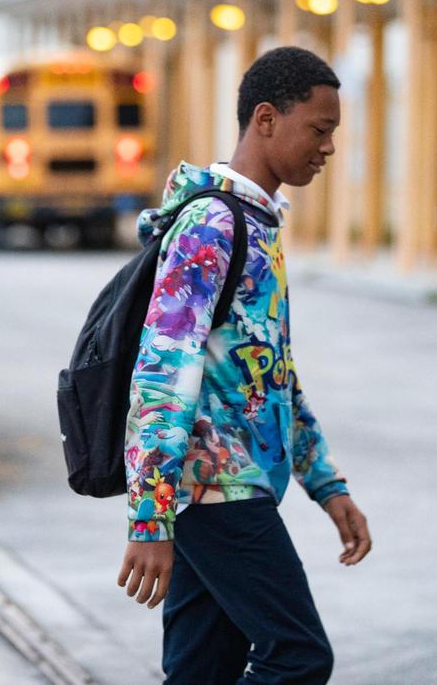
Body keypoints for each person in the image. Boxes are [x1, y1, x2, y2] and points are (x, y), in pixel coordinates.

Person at [116, 46, 372, 684]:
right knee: (298, 656)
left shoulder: (256, 224)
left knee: (203, 673)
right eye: (319, 129)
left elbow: (272, 376)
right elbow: (161, 370)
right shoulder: (212, 225)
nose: (328, 148)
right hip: (214, 489)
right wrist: (150, 514)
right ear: (265, 119)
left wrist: (326, 483)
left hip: (226, 487)